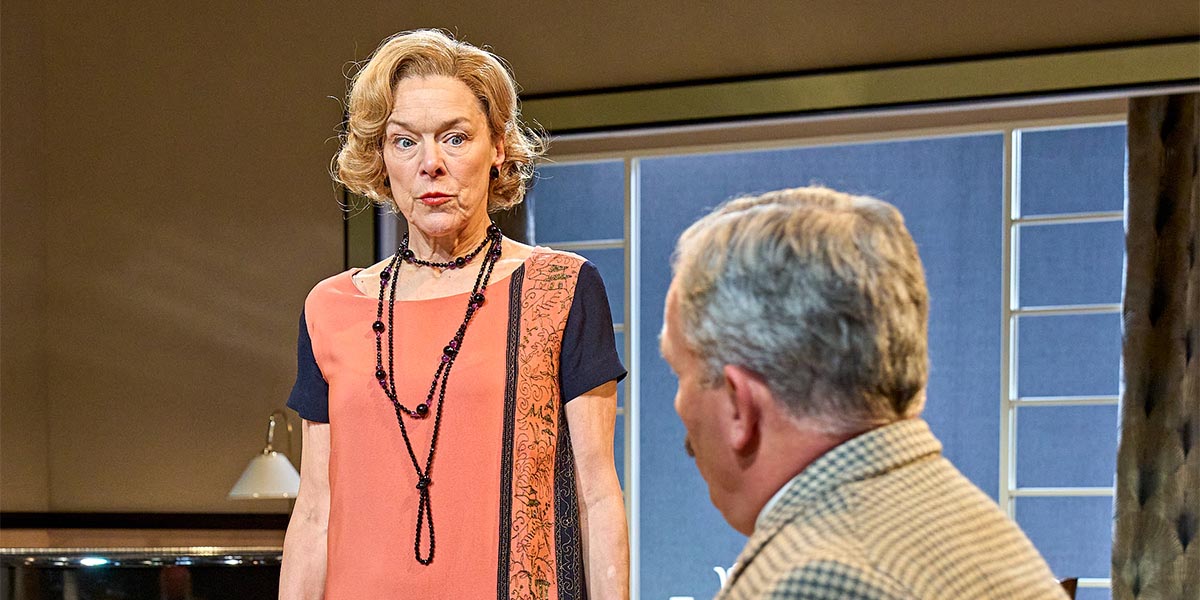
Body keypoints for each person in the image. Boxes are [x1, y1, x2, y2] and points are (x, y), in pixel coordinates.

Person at [280, 30, 629, 600]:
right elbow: (315, 511)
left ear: (497, 148)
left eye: (456, 137)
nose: (431, 164)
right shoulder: (331, 308)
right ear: (380, 157)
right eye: (405, 142)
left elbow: (597, 495)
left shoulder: (561, 288)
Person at [660, 186, 1068, 599]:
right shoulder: (964, 520)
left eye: (680, 374)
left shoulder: (817, 578)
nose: (680, 408)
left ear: (738, 405)